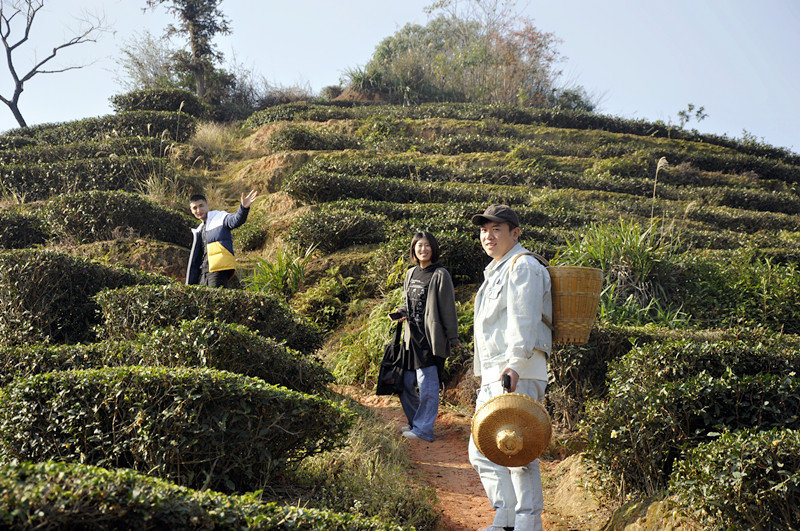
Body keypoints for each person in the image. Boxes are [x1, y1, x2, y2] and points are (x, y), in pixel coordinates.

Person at [468, 204, 552, 531]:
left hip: (519, 371)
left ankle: (528, 523)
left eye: (497, 229)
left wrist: (514, 365)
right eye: (484, 230)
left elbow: (524, 318)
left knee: (518, 450)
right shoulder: (495, 270)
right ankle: (505, 520)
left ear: (515, 234)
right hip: (496, 373)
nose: (488, 236)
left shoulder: (522, 266)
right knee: (483, 451)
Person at [390, 231, 460, 442]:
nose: (423, 249)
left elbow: (448, 309)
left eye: (427, 245)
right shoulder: (411, 273)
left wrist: (453, 337)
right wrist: (400, 313)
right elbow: (408, 302)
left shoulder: (440, 274)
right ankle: (415, 422)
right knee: (405, 383)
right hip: (411, 339)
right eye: (419, 246)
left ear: (433, 248)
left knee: (427, 386)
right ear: (414, 249)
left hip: (430, 339)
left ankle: (424, 430)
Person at [186, 189, 258, 288]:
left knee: (216, 299)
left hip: (218, 269)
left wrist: (243, 208)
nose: (198, 210)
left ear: (208, 205)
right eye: (195, 208)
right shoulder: (198, 230)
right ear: (191, 211)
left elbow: (235, 220)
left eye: (201, 206)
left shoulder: (220, 217)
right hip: (203, 272)